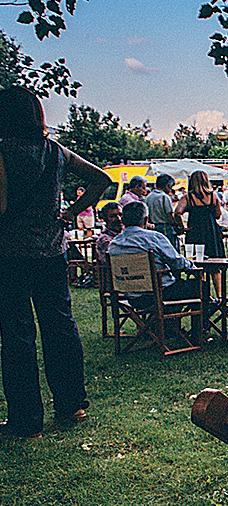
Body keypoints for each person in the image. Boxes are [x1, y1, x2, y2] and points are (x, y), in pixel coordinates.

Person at [0, 87, 110, 438]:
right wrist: (71, 212)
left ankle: (26, 420)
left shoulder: (3, 150)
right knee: (60, 326)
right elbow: (101, 179)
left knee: (17, 335)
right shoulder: (56, 151)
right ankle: (72, 404)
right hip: (52, 252)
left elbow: (2, 206)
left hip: (11, 254)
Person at [109, 201, 208, 304]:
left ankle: (167, 315)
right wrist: (191, 267)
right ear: (146, 220)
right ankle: (198, 314)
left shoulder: (114, 244)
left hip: (133, 298)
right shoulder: (153, 238)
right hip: (161, 293)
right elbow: (176, 261)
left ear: (123, 220)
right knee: (201, 286)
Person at [175, 170, 226, 299]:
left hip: (195, 233)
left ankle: (203, 294)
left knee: (198, 265)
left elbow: (177, 212)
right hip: (211, 233)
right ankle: (219, 296)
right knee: (215, 266)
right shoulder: (213, 196)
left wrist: (183, 227)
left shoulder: (188, 197)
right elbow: (218, 214)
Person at [145, 173, 178, 248]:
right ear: (167, 186)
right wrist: (175, 224)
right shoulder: (164, 197)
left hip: (153, 227)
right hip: (165, 227)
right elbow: (169, 214)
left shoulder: (148, 196)